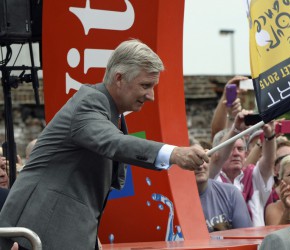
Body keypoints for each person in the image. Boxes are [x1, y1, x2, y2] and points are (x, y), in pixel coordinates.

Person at [0, 39, 209, 249]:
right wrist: (173, 153)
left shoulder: (110, 113)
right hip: (34, 232)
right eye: (145, 85)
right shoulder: (90, 103)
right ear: (119, 78)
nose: (151, 96)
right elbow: (114, 143)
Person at [195, 159, 252, 232]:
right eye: (192, 162)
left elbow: (246, 237)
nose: (200, 166)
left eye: (202, 159)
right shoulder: (176, 203)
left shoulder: (231, 193)